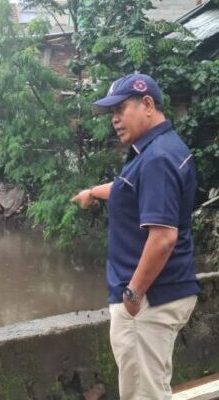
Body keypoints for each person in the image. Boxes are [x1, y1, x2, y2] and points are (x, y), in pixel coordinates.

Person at [71, 73, 200, 399]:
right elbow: (129, 189)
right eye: (111, 113)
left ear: (146, 104)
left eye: (121, 109)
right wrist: (92, 192)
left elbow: (163, 238)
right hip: (163, 292)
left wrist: (133, 294)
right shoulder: (161, 148)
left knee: (144, 394)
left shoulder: (156, 158)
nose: (114, 120)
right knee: (151, 386)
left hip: (148, 301)